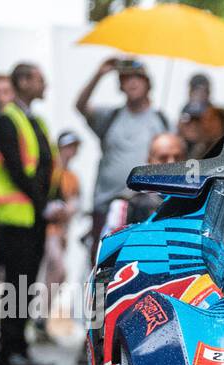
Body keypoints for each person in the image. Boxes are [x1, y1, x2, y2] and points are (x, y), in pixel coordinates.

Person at [0, 62, 54, 365]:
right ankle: (8, 347)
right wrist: (43, 203)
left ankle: (20, 346)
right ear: (25, 81)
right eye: (41, 79)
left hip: (34, 218)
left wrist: (54, 202)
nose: (46, 85)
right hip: (16, 218)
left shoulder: (35, 120)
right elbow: (17, 169)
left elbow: (46, 168)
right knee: (16, 285)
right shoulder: (7, 120)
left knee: (26, 286)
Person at [75, 58, 169, 264]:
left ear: (148, 83)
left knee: (138, 265)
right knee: (101, 265)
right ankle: (99, 298)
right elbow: (80, 105)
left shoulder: (160, 120)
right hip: (106, 205)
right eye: (126, 78)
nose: (132, 82)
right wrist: (99, 73)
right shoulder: (110, 116)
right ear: (120, 85)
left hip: (145, 207)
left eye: (138, 77)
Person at [100, 132, 185, 238]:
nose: (172, 162)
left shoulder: (197, 199)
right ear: (150, 161)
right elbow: (109, 248)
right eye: (163, 158)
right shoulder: (126, 204)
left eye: (177, 157)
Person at [42, 129, 81, 289]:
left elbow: (74, 203)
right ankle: (36, 311)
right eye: (68, 147)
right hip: (47, 230)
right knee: (56, 270)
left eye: (74, 147)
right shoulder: (50, 171)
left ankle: (40, 312)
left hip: (60, 231)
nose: (71, 151)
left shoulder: (72, 177)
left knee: (56, 274)